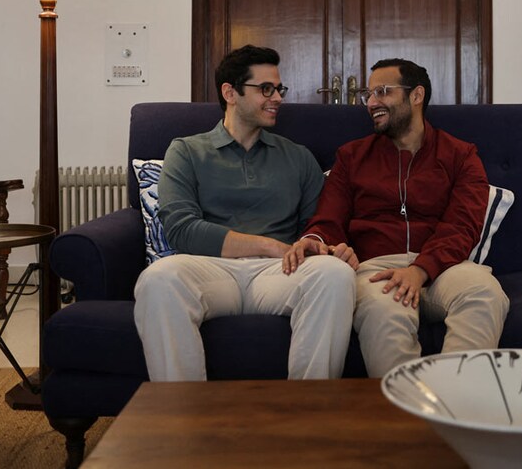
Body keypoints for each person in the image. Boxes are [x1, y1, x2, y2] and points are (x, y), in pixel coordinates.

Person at [134, 45, 357, 381]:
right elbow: (182, 230)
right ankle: (181, 417)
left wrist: (321, 244)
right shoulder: (187, 151)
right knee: (159, 278)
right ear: (230, 93)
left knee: (334, 274)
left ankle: (311, 413)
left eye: (278, 88)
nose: (278, 98)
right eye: (265, 89)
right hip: (210, 269)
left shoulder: (298, 157)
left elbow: (317, 226)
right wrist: (268, 245)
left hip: (279, 272)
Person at [283, 58, 510, 377]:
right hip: (376, 270)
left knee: (485, 292)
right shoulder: (352, 156)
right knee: (384, 312)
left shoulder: (460, 155)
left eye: (382, 92)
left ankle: (457, 404)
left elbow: (463, 226)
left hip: (445, 267)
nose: (371, 103)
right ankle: (404, 418)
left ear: (416, 96)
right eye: (369, 95)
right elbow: (328, 218)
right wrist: (317, 241)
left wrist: (421, 269)